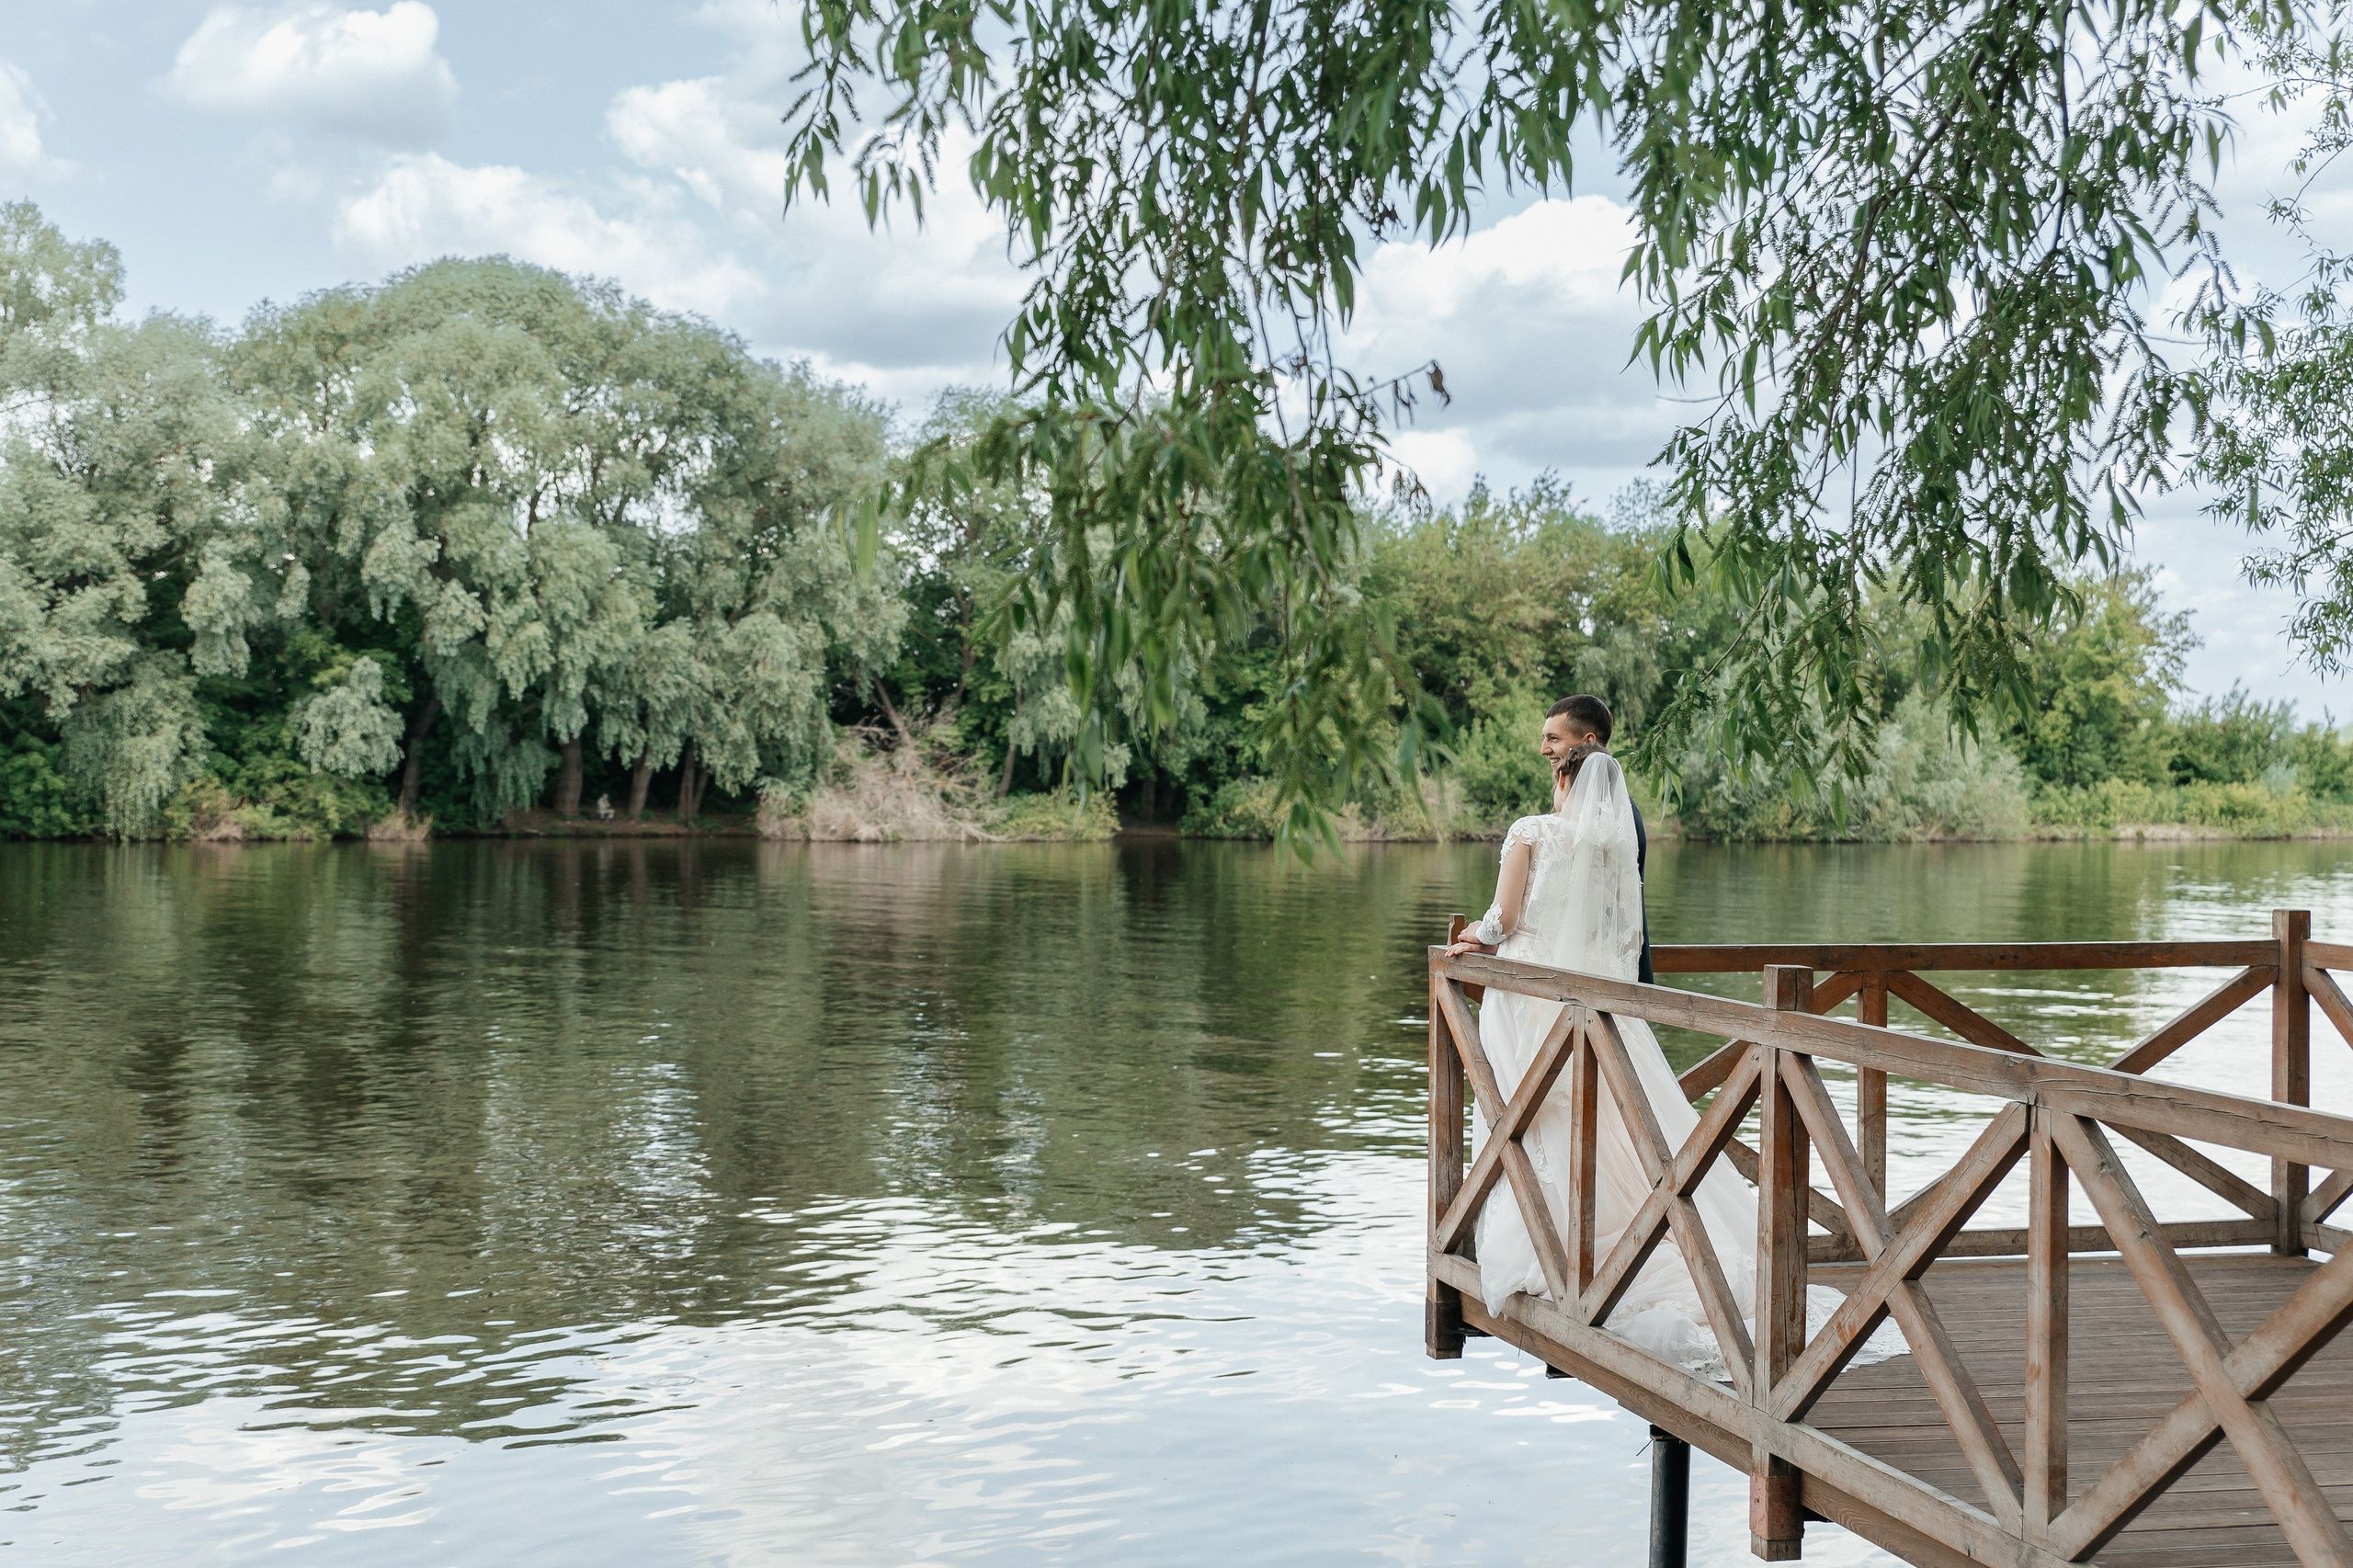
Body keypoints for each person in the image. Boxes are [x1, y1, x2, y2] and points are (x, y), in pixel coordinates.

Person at [1443, 745, 1906, 1380]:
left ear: (1561, 780)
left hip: (1527, 1001)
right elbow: (1623, 939)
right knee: (1600, 1120)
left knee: (1530, 1118)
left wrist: (1470, 936)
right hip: (1588, 1002)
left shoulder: (1531, 832)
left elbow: (1505, 920)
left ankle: (1555, 1252)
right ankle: (1611, 1249)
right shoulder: (1610, 848)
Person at [1540, 694, 1651, 984]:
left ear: (1587, 740)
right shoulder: (1612, 808)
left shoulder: (1612, 815)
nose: (1543, 749)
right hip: (1586, 973)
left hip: (1598, 977)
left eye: (1553, 738)